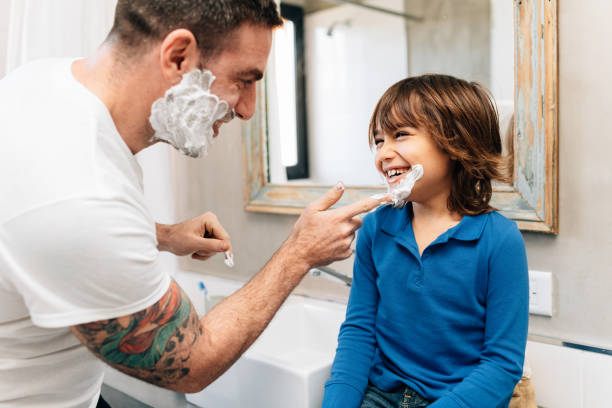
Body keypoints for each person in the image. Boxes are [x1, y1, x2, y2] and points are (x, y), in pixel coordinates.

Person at [0, 1, 388, 406]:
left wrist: (163, 235)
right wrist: (299, 253)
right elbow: (192, 361)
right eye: (244, 80)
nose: (247, 108)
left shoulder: (42, 83)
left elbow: (45, 225)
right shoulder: (82, 192)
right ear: (178, 57)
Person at [322, 75, 529, 408]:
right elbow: (359, 332)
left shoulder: (499, 241)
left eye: (400, 135)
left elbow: (501, 366)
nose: (383, 153)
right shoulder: (377, 228)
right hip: (381, 395)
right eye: (378, 140)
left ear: (456, 143)